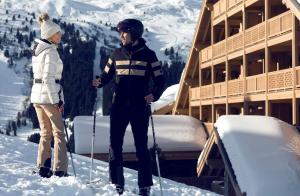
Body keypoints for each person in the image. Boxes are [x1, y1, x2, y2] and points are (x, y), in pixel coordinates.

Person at [92, 19, 164, 195]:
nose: (121, 36)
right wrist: (98, 82)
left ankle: (144, 186)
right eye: (120, 32)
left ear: (135, 34)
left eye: (124, 32)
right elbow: (106, 76)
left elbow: (160, 80)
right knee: (115, 145)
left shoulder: (149, 55)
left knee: (141, 147)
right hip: (119, 107)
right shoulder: (116, 54)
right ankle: (117, 182)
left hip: (140, 107)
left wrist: (153, 94)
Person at [30, 13, 68, 178]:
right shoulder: (51, 52)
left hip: (37, 97)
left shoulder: (38, 51)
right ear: (50, 34)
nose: (60, 36)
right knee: (59, 132)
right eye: (57, 33)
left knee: (46, 132)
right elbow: (48, 78)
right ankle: (60, 169)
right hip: (48, 97)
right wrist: (56, 100)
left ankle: (43, 167)